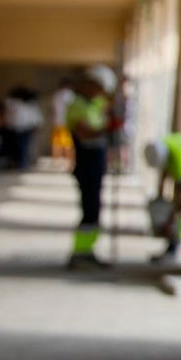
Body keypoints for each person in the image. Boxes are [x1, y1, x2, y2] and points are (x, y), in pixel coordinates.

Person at [66, 66, 116, 270]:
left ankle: (89, 250)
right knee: (90, 209)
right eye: (98, 88)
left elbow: (108, 105)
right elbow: (85, 133)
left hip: (96, 161)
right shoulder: (77, 105)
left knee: (95, 209)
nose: (100, 93)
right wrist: (108, 128)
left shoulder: (94, 103)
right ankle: (81, 253)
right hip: (86, 162)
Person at [144, 134, 181, 266]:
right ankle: (172, 248)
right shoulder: (165, 146)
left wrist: (170, 219)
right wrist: (160, 201)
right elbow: (163, 176)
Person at [2, 86, 43, 172]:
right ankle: (21, 162)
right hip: (21, 127)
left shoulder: (23, 104)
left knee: (22, 146)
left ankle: (22, 162)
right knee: (21, 147)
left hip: (21, 128)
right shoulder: (18, 104)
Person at [49, 77, 75, 164]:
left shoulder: (56, 95)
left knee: (56, 143)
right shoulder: (71, 95)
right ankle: (69, 162)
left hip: (57, 122)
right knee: (68, 143)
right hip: (67, 122)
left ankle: (56, 162)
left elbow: (52, 109)